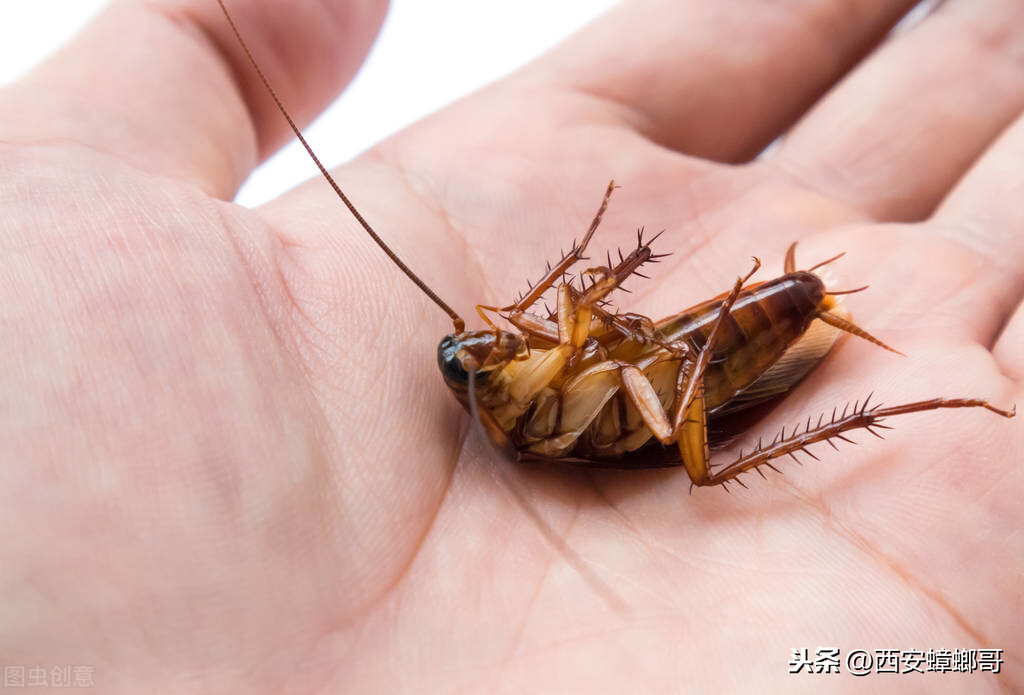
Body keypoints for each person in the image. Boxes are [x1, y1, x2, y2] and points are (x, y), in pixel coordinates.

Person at [1, 0, 1020, 691]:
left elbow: (580, 316)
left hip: (678, 351)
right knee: (689, 448)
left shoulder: (529, 364)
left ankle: (833, 360)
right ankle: (901, 407)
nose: (491, 340)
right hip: (681, 410)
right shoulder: (518, 417)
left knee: (621, 326)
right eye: (476, 355)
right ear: (478, 393)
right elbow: (599, 385)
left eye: (485, 340)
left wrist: (596, 283)